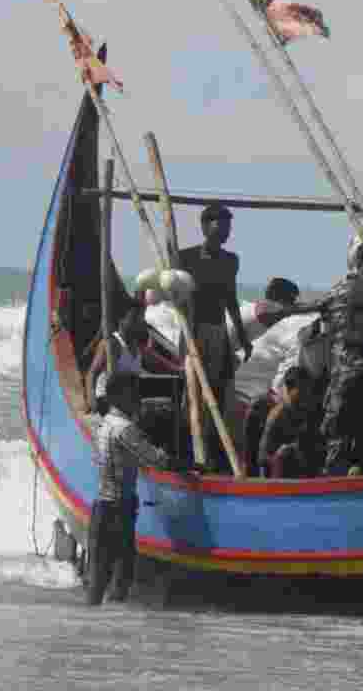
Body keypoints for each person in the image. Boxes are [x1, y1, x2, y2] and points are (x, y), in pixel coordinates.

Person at [283, 238, 363, 475]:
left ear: (359, 260)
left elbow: (318, 306)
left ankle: (335, 478)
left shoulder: (346, 287)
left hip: (350, 368)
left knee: (337, 430)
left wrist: (282, 309)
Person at [86, 371, 188, 606]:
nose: (139, 399)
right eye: (134, 393)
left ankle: (90, 628)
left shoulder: (104, 425)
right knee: (122, 575)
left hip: (101, 506)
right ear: (120, 396)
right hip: (119, 509)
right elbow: (157, 460)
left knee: (98, 577)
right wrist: (192, 466)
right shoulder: (125, 428)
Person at [178, 203, 252, 472]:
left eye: (229, 226)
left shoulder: (230, 260)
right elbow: (175, 293)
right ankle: (192, 449)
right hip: (193, 331)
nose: (227, 230)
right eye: (222, 224)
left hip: (217, 330)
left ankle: (212, 449)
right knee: (194, 393)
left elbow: (231, 299)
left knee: (217, 390)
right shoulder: (185, 258)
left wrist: (242, 337)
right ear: (206, 226)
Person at [85, 303, 148, 414]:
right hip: (105, 399)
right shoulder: (110, 343)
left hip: (125, 400)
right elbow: (91, 373)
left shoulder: (136, 345)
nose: (138, 322)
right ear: (121, 320)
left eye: (140, 318)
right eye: (133, 318)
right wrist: (92, 400)